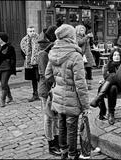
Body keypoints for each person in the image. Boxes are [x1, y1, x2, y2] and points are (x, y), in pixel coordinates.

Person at [45, 24, 90, 160]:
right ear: (71, 37)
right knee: (71, 127)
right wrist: (86, 105)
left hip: (58, 95)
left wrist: (59, 84)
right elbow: (81, 84)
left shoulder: (53, 52)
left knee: (62, 124)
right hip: (72, 97)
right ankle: (72, 154)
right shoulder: (75, 56)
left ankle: (64, 152)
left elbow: (47, 75)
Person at [37, 25, 61, 156]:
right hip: (46, 90)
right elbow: (44, 74)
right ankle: (51, 144)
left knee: (56, 117)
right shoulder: (43, 52)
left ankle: (57, 141)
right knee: (48, 117)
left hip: (54, 88)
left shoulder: (51, 49)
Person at [90, 48, 121, 125]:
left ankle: (98, 98)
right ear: (112, 56)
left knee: (112, 76)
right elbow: (106, 77)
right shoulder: (108, 65)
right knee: (112, 88)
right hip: (113, 87)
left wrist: (112, 77)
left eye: (118, 55)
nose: (116, 56)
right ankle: (111, 113)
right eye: (115, 55)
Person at [0, 32, 16, 107]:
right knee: (5, 83)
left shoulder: (10, 47)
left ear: (2, 39)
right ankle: (10, 97)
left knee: (3, 84)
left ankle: (2, 100)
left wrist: (11, 67)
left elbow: (13, 59)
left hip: (7, 69)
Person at [20, 26, 40, 102]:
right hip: (29, 63)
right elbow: (22, 51)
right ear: (27, 32)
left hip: (38, 62)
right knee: (33, 79)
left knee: (40, 78)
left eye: (33, 31)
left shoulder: (39, 38)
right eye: (30, 31)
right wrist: (26, 58)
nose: (32, 32)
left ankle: (43, 93)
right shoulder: (24, 41)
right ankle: (35, 94)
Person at [76, 25, 96, 90]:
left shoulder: (85, 37)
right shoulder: (77, 37)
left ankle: (89, 84)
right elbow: (79, 43)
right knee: (82, 70)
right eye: (81, 30)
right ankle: (83, 84)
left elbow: (90, 44)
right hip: (82, 55)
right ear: (78, 31)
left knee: (89, 69)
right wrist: (87, 36)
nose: (83, 31)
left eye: (84, 30)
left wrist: (91, 38)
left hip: (88, 55)